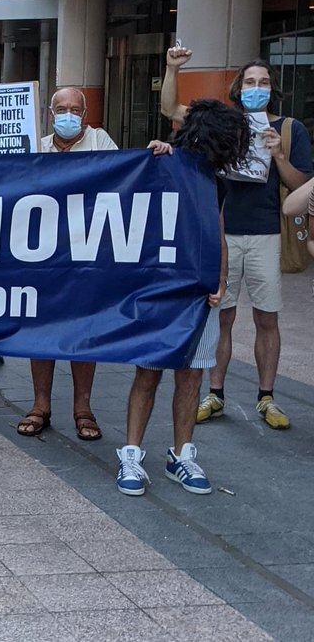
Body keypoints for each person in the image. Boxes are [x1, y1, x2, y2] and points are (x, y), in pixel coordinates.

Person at [161, 49, 312, 430]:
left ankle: (266, 397)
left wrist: (278, 154)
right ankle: (215, 393)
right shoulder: (224, 123)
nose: (256, 88)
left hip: (266, 233)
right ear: (237, 87)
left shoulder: (291, 129)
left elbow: (302, 189)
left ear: (272, 88)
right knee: (220, 316)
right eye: (249, 82)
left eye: (263, 82)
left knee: (266, 317)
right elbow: (172, 111)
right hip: (221, 232)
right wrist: (172, 69)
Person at [117, 101, 249, 496]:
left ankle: (181, 455)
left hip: (197, 288)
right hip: (159, 286)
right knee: (149, 370)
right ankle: (132, 454)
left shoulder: (215, 181)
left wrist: (221, 278)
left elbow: (218, 231)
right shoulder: (163, 162)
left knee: (191, 373)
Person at [11, 87, 118, 442]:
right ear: (50, 113)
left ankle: (83, 409)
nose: (68, 114)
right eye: (61, 108)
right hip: (41, 255)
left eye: (75, 109)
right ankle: (40, 404)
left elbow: (126, 178)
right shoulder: (36, 146)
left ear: (84, 114)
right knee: (41, 328)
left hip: (88, 254)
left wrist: (157, 152)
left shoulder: (101, 142)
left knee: (83, 331)